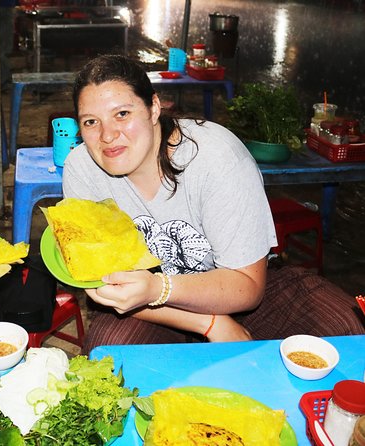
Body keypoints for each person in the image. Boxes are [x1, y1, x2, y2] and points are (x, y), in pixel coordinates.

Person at [62, 54, 365, 353]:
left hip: (236, 288)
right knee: (112, 352)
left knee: (344, 328)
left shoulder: (218, 158)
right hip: (148, 303)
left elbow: (247, 286)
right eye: (91, 122)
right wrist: (209, 324)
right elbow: (106, 288)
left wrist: (163, 289)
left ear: (153, 107)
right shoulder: (82, 170)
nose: (108, 135)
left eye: (122, 114)